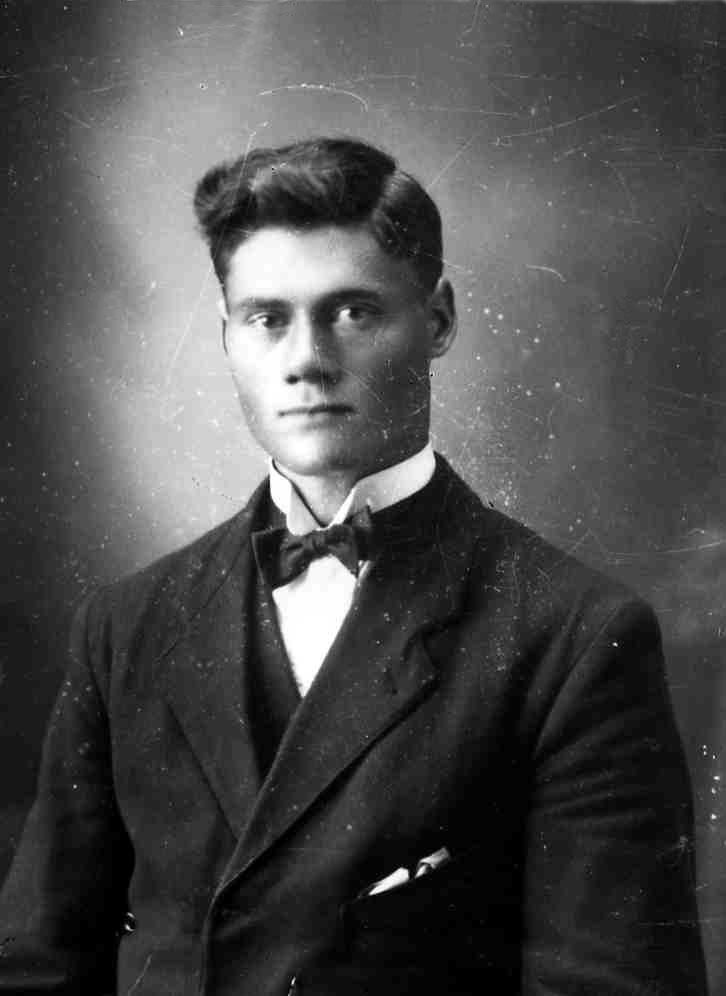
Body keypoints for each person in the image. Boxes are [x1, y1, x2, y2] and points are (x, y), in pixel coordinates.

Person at [0, 137, 708, 996]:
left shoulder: (576, 637)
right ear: (225, 335)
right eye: (267, 318)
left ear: (438, 319)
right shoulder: (124, 627)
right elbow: (39, 966)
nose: (306, 358)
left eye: (352, 313)